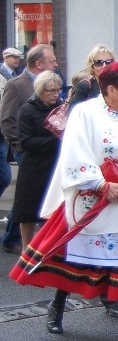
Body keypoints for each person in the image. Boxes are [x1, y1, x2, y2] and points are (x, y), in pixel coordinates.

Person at [10, 62, 118, 341]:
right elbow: (75, 155)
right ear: (110, 89)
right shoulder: (84, 113)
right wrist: (101, 184)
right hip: (94, 201)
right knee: (78, 259)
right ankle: (56, 307)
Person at [0, 44, 59, 254]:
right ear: (39, 64)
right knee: (26, 199)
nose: (56, 64)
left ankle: (39, 245)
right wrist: (20, 147)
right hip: (28, 151)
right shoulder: (17, 85)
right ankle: (13, 239)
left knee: (39, 200)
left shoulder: (57, 101)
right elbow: (7, 119)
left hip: (48, 157)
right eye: (52, 61)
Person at [11, 71, 63, 249]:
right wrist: (56, 140)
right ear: (41, 90)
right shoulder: (27, 110)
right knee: (27, 211)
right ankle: (26, 249)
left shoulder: (61, 107)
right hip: (33, 167)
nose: (56, 94)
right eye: (51, 91)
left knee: (52, 211)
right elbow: (26, 142)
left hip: (55, 166)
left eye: (58, 90)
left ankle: (46, 250)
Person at [68, 44, 115, 110]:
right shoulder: (84, 86)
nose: (104, 66)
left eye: (108, 62)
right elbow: (73, 112)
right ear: (92, 66)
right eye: (99, 63)